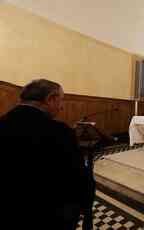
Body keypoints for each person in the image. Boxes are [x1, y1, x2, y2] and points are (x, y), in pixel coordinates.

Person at [0, 79, 89, 229]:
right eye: (61, 100)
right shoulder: (59, 131)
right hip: (49, 216)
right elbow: (76, 177)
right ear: (50, 99)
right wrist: (83, 207)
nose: (61, 107)